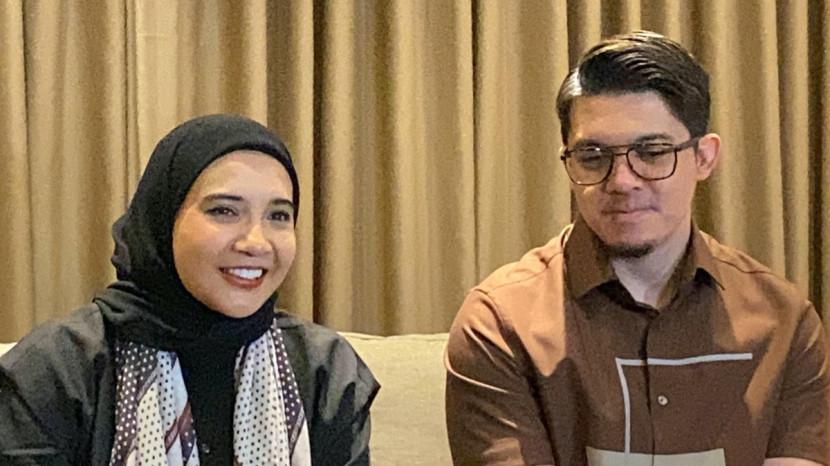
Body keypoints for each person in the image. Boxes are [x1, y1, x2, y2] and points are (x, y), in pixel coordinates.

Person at [445, 31, 829, 466]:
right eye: (593, 155)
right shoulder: (501, 323)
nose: (622, 181)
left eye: (651, 152)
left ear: (704, 157)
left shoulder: (784, 321)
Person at [0, 114, 379, 466]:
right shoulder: (57, 370)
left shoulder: (324, 371)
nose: (257, 242)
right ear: (163, 219)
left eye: (278, 216)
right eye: (224, 211)